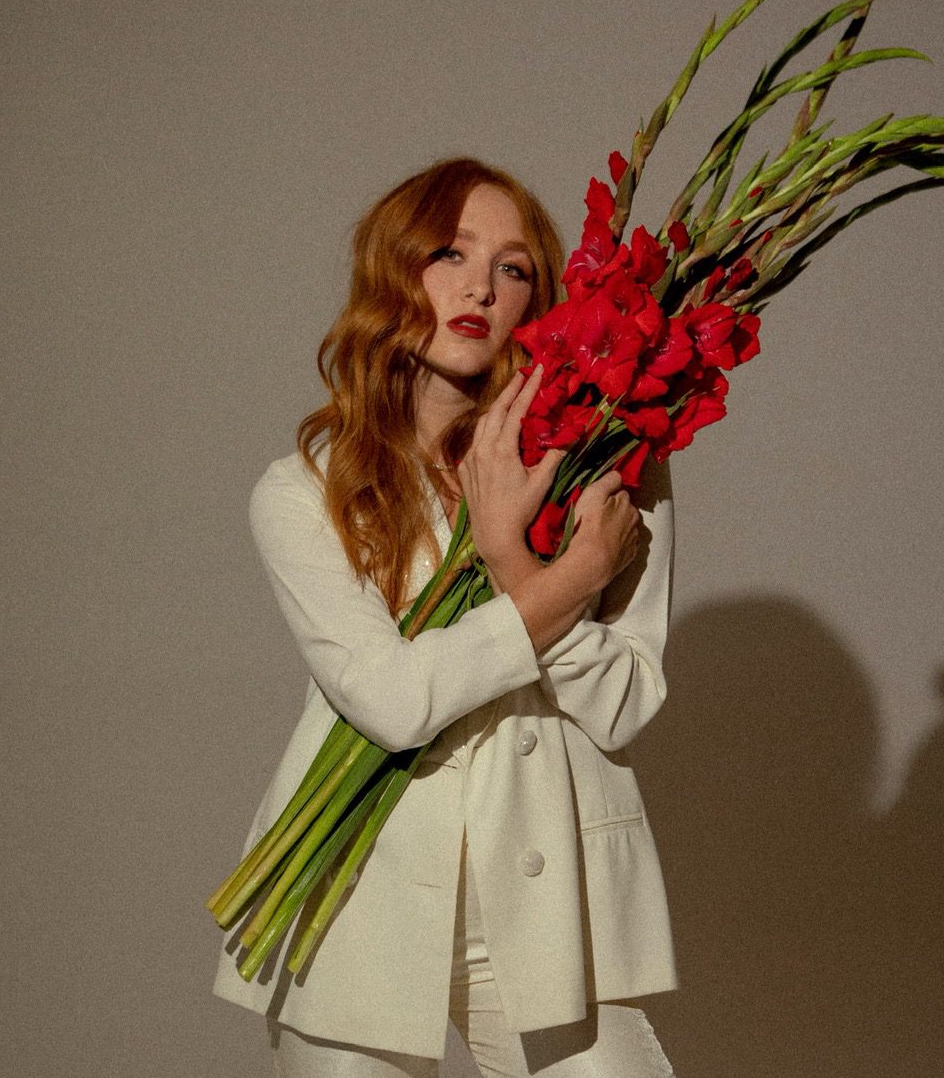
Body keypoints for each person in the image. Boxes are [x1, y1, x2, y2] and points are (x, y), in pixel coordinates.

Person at [213, 158, 677, 1076]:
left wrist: (511, 559)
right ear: (395, 274)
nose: (479, 287)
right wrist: (558, 582)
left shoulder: (608, 462)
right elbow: (391, 700)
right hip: (360, 890)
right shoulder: (304, 493)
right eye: (449, 253)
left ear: (538, 300)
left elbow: (624, 703)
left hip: (550, 893)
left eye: (512, 268)